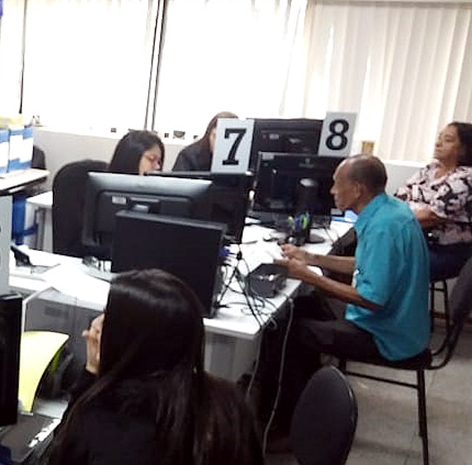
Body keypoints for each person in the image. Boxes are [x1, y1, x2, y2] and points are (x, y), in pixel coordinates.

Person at [259, 154, 430, 445]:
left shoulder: (382, 227)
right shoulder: (388, 211)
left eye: (337, 185)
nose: (331, 191)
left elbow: (372, 299)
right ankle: (311, 402)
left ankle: (289, 425)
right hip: (395, 322)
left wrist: (310, 275)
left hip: (388, 336)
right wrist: (311, 257)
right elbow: (365, 264)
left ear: (358, 188)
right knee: (297, 308)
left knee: (292, 333)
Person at [46, 269, 262, 465]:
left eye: (108, 318)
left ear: (128, 340)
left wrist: (91, 373)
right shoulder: (228, 401)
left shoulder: (103, 416)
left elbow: (58, 455)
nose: (97, 323)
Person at [395, 121, 472, 280]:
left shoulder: (466, 178)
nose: (438, 143)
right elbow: (399, 197)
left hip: (445, 251)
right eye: (439, 138)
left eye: (448, 140)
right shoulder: (431, 169)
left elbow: (431, 216)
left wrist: (392, 220)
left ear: (464, 149)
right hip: (413, 241)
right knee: (361, 249)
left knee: (384, 265)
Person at [172, 111, 238, 171]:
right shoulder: (188, 156)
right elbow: (177, 183)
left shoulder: (239, 159)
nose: (219, 143)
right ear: (209, 134)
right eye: (216, 137)